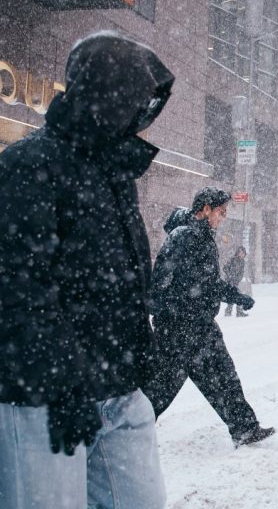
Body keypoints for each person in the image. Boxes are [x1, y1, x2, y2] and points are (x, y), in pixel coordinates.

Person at [0, 31, 173, 508]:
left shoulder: (116, 176)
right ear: (104, 95)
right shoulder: (27, 165)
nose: (142, 117)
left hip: (117, 390)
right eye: (134, 102)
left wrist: (143, 356)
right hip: (43, 398)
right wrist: (59, 382)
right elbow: (17, 287)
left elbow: (126, 282)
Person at [142, 187, 275, 447]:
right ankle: (124, 433)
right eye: (221, 212)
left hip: (200, 326)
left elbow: (209, 283)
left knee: (224, 376)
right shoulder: (183, 238)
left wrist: (236, 296)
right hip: (180, 330)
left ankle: (245, 428)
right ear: (205, 210)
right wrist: (168, 317)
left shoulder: (202, 238)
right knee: (159, 390)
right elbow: (159, 283)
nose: (223, 218)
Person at [223, 247, 249, 317]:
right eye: (240, 253)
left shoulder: (242, 262)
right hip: (229, 281)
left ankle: (230, 312)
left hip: (236, 282)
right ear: (237, 253)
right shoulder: (232, 260)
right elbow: (225, 268)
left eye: (243, 253)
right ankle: (236, 312)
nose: (242, 254)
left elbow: (241, 272)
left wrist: (238, 279)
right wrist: (230, 276)